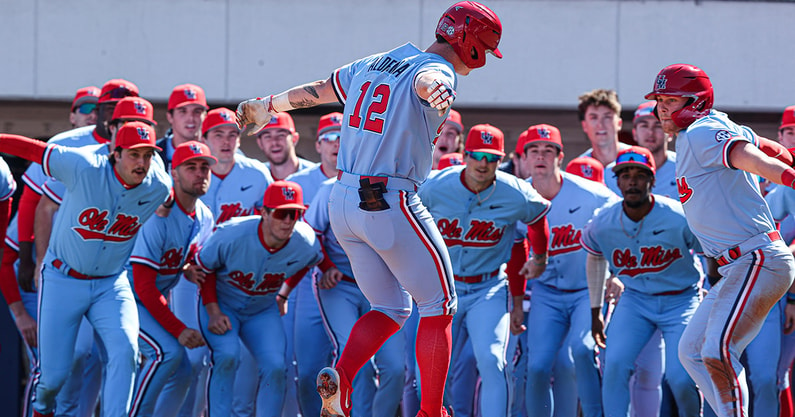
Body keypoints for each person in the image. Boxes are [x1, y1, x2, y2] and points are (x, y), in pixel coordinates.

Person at [235, 3, 503, 416]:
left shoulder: (377, 60)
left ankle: (341, 380)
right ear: (470, 43)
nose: (484, 60)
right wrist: (434, 85)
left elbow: (323, 90)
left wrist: (269, 105)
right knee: (441, 305)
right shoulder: (438, 70)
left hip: (341, 199)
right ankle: (432, 411)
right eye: (485, 49)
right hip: (388, 199)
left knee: (392, 307)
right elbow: (430, 77)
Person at [645, 63, 795, 417]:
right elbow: (769, 147)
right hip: (742, 264)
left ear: (695, 101)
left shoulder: (700, 132)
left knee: (716, 352)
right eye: (659, 99)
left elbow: (752, 158)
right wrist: (789, 161)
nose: (661, 107)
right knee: (692, 351)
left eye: (670, 99)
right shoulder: (710, 127)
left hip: (756, 258)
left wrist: (789, 176)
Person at [0, 121, 171, 417]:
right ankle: (42, 411)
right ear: (115, 153)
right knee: (52, 380)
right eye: (134, 154)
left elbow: (167, 203)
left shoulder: (158, 185)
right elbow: (31, 149)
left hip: (111, 284)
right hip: (62, 278)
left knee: (126, 351)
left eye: (148, 155)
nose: (142, 162)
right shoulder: (84, 165)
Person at [418, 123, 551, 417]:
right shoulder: (437, 185)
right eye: (478, 155)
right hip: (442, 286)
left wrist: (540, 257)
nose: (483, 163)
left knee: (493, 360)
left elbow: (538, 217)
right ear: (465, 155)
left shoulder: (515, 192)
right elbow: (408, 219)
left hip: (487, 288)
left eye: (491, 157)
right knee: (428, 369)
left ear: (500, 160)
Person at [581, 146, 702, 416]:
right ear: (617, 181)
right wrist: (595, 311)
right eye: (625, 175)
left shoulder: (677, 215)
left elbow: (710, 253)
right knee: (613, 365)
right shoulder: (603, 221)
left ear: (652, 180)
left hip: (681, 299)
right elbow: (595, 256)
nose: (632, 181)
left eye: (640, 174)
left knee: (680, 378)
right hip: (636, 300)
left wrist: (713, 294)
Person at [196, 180, 323, 417]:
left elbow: (311, 260)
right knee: (227, 356)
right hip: (224, 304)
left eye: (294, 214)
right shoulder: (232, 233)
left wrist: (284, 294)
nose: (288, 221)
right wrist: (212, 310)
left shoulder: (304, 240)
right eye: (282, 213)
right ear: (263, 212)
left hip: (262, 309)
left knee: (276, 367)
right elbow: (205, 268)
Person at [519, 124, 616, 417]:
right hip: (546, 293)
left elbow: (624, 223)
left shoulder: (592, 194)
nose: (541, 156)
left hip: (587, 291)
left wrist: (617, 273)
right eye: (534, 150)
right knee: (536, 366)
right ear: (523, 158)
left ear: (560, 157)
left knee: (582, 353)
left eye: (549, 150)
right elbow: (506, 240)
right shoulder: (517, 194)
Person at [127, 141, 217, 417]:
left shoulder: (203, 215)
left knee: (182, 372)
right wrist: (179, 329)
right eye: (191, 167)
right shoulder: (158, 215)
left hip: (150, 298)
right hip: (122, 296)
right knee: (166, 354)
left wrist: (188, 266)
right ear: (173, 174)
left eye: (205, 167)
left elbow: (189, 257)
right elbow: (142, 285)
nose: (200, 173)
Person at [283, 112, 342, 416]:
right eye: (330, 138)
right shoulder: (297, 183)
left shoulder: (362, 179)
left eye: (343, 137)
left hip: (350, 283)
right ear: (318, 145)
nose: (336, 144)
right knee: (306, 369)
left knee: (349, 367)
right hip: (305, 283)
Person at [157, 84, 209, 171]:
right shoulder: (154, 153)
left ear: (205, 116)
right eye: (183, 111)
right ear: (170, 117)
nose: (191, 118)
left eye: (197, 111)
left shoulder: (216, 152)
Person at [255, 112, 316, 181]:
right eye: (267, 137)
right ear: (260, 143)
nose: (274, 142)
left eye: (281, 135)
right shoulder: (256, 177)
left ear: (294, 139)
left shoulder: (315, 176)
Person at [577, 88, 629, 167]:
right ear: (584, 125)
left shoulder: (638, 158)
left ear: (619, 123)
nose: (600, 125)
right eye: (594, 118)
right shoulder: (578, 167)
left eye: (607, 117)